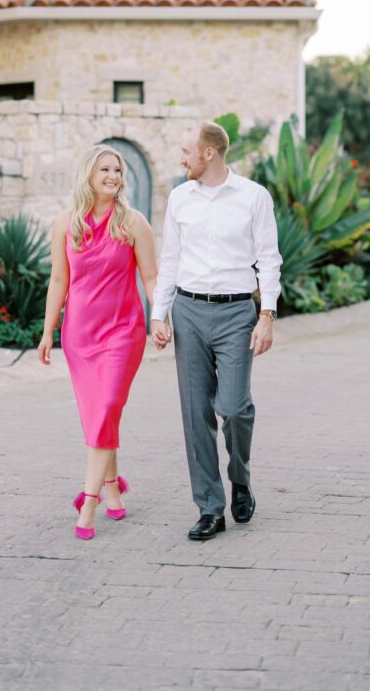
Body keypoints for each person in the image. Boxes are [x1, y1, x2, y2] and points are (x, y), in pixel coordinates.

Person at [150, 121, 282, 541]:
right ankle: (210, 507)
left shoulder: (253, 197)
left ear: (209, 153)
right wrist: (159, 314)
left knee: (235, 407)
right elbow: (170, 259)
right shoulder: (179, 198)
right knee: (195, 414)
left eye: (186, 150)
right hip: (188, 311)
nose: (181, 157)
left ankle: (240, 479)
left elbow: (269, 259)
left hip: (237, 313)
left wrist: (268, 315)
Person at [37, 144, 158, 541]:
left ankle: (87, 500)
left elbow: (151, 277)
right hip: (79, 334)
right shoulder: (66, 223)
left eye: (118, 170)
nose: (113, 176)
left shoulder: (134, 222)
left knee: (106, 405)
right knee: (97, 415)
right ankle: (112, 489)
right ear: (89, 174)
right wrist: (47, 330)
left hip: (123, 331)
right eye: (105, 169)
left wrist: (160, 316)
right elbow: (59, 280)